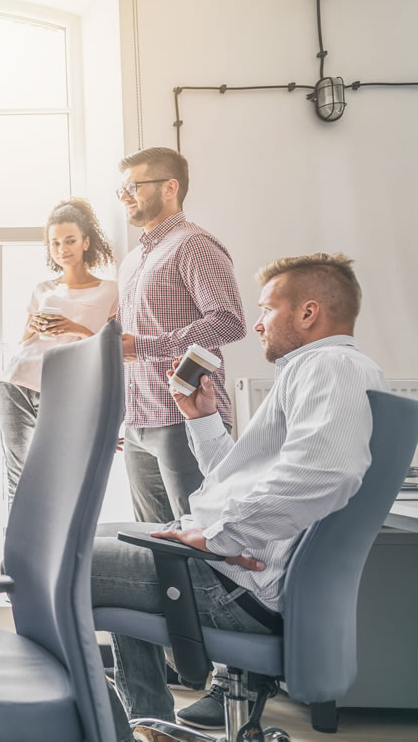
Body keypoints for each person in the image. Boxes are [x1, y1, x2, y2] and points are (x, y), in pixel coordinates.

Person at [95, 253, 384, 741]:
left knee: (64, 564)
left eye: (268, 308)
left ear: (308, 312)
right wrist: (202, 417)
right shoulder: (317, 370)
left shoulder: (331, 367)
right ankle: (146, 724)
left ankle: (112, 729)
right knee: (103, 535)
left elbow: (327, 472)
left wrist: (218, 536)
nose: (256, 323)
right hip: (234, 570)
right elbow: (238, 481)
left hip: (233, 584)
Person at [116, 147, 246, 526]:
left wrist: (145, 347)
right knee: (153, 541)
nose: (124, 196)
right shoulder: (130, 262)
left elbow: (229, 321)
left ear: (169, 187)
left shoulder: (194, 245)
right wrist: (123, 417)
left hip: (185, 420)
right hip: (138, 427)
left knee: (201, 537)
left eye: (132, 186)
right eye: (121, 190)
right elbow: (126, 349)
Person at [0, 198, 117, 507]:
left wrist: (73, 326)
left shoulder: (110, 290)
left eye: (70, 241)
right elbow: (25, 339)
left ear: (85, 242)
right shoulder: (43, 288)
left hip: (67, 388)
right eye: (55, 243)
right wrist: (37, 325)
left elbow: (112, 348)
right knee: (20, 479)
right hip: (19, 382)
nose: (62, 249)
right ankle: (18, 556)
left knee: (64, 478)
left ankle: (56, 553)